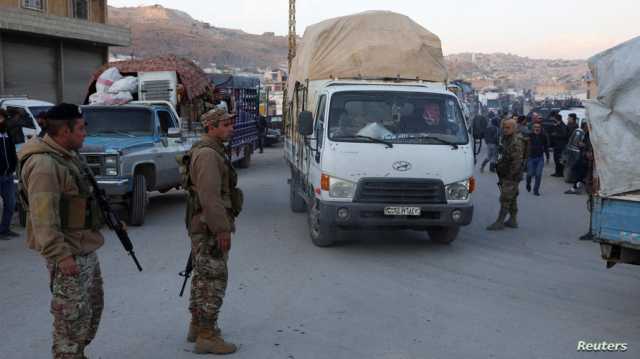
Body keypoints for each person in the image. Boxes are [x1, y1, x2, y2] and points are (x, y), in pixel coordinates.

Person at [17, 103, 105, 358]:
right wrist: (61, 255)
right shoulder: (44, 165)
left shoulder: (65, 155)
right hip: (68, 253)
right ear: (64, 131)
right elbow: (43, 218)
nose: (84, 133)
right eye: (80, 128)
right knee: (71, 320)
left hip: (82, 246)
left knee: (90, 311)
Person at [184, 108, 243, 354]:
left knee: (203, 277)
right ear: (211, 127)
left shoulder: (211, 150)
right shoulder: (208, 155)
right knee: (214, 279)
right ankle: (206, 336)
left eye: (230, 123)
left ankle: (198, 326)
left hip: (203, 225)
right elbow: (209, 197)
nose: (231, 127)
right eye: (226, 123)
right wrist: (222, 229)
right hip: (210, 228)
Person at [487, 119, 525, 231]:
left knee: (505, 197)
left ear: (514, 128)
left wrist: (510, 176)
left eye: (508, 128)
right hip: (506, 172)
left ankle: (500, 221)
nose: (505, 130)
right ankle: (513, 220)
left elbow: (517, 161)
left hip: (512, 175)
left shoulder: (516, 141)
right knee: (512, 197)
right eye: (504, 127)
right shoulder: (506, 139)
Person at [0, 109, 19, 239]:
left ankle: (5, 229)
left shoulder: (7, 133)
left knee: (11, 203)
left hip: (8, 175)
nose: (3, 120)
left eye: (4, 118)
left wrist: (13, 166)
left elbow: (12, 151)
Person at [565, 122, 593, 195]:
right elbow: (581, 143)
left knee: (580, 171)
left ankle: (576, 187)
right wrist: (581, 145)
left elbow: (590, 145)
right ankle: (578, 184)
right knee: (575, 169)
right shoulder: (586, 134)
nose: (586, 128)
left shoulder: (591, 135)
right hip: (583, 155)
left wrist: (586, 148)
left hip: (586, 157)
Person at [525, 122, 550, 196]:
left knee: (538, 175)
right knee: (529, 174)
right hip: (531, 158)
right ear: (533, 128)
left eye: (538, 127)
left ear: (540, 128)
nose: (537, 128)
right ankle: (528, 183)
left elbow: (546, 147)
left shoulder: (543, 136)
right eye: (535, 127)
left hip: (540, 158)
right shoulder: (529, 135)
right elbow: (524, 146)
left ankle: (536, 190)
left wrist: (548, 157)